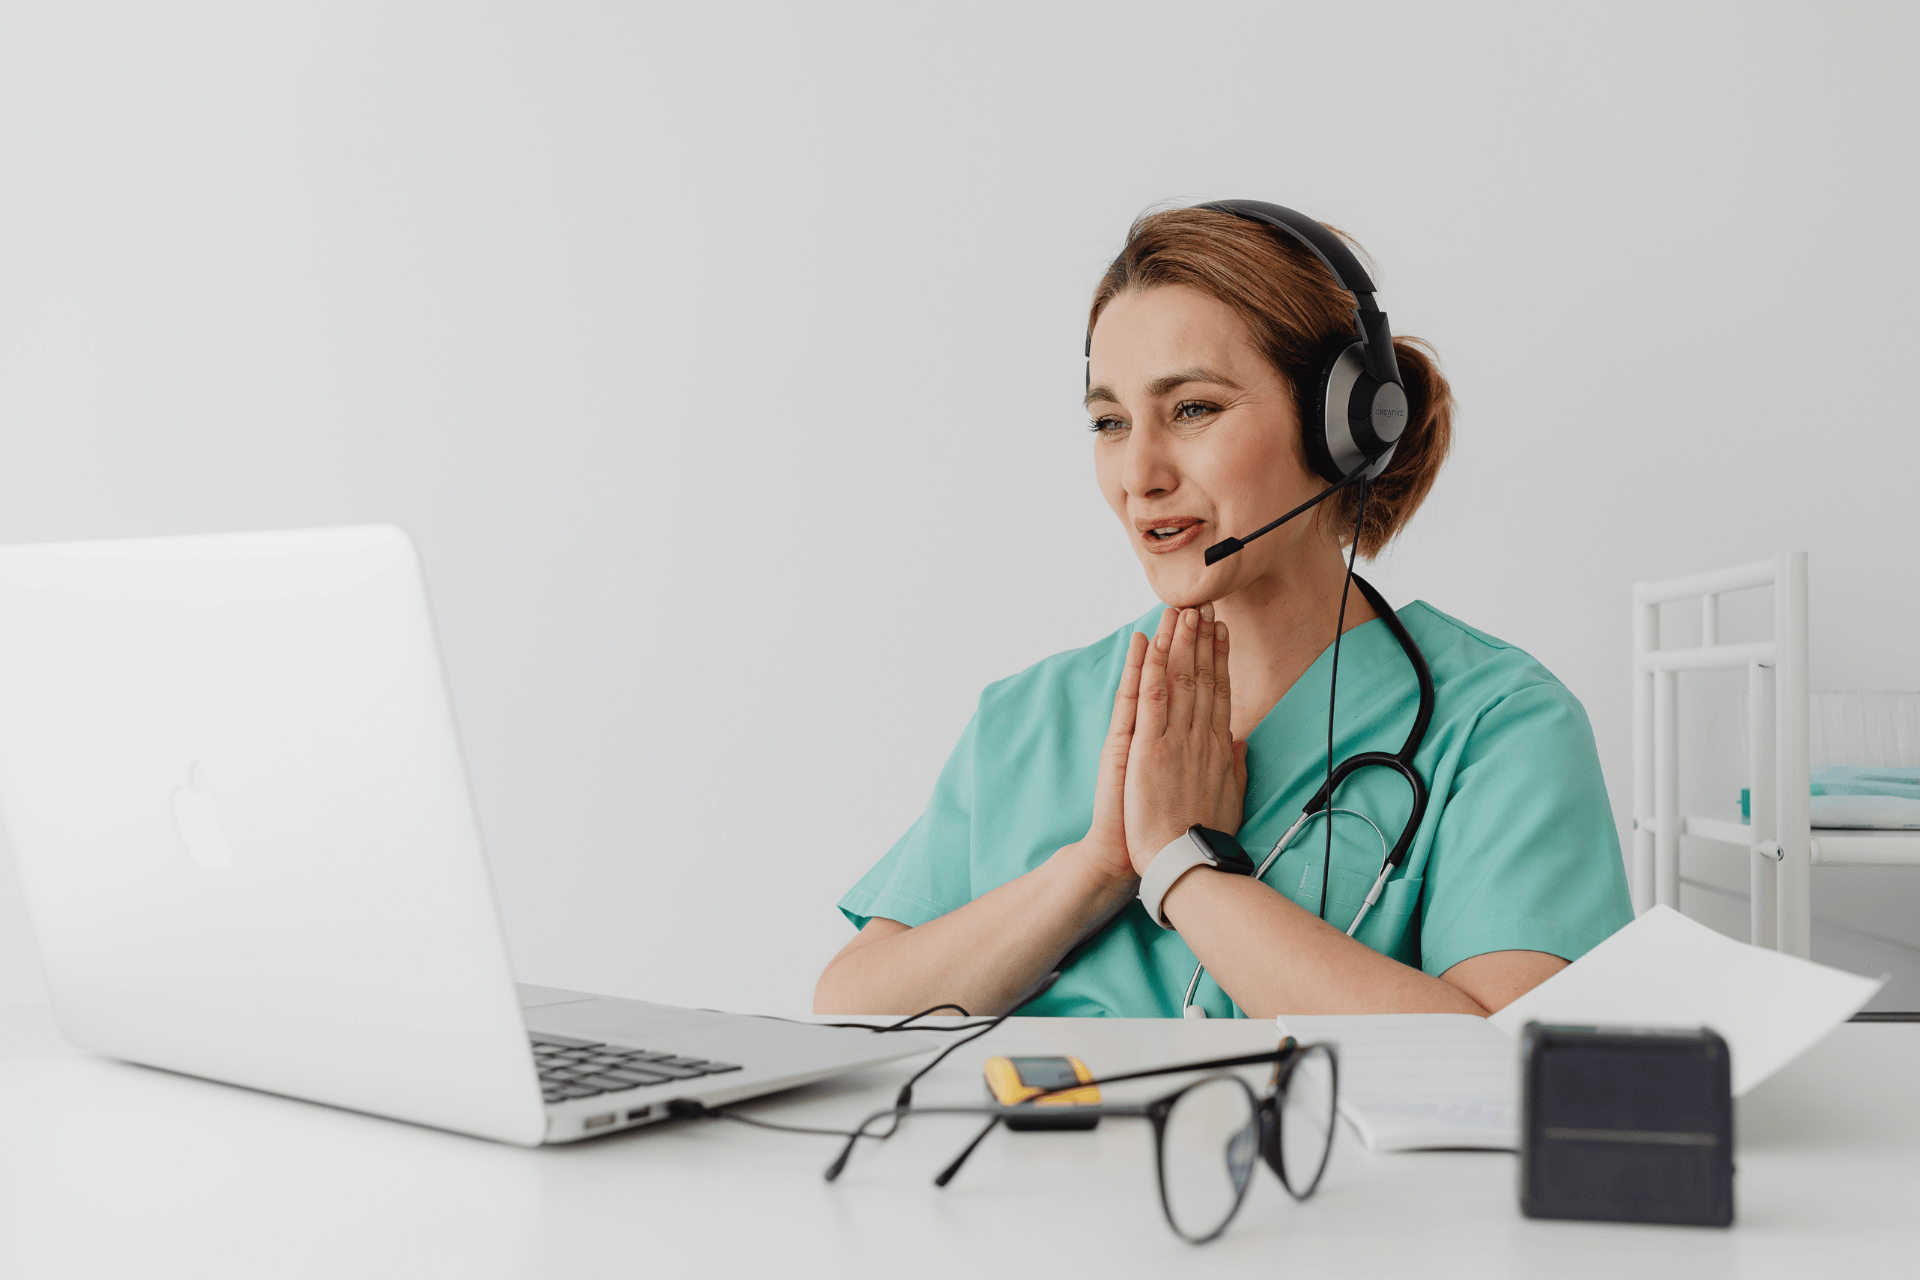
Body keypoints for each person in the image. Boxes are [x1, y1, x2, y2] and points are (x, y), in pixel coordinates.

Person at [815, 204, 1632, 1020]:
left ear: (1343, 426)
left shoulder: (1499, 726)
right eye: (1109, 422)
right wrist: (1098, 867)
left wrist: (1183, 869)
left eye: (1193, 409)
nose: (1139, 473)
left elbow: (1510, 1076)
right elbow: (849, 1007)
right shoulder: (1028, 720)